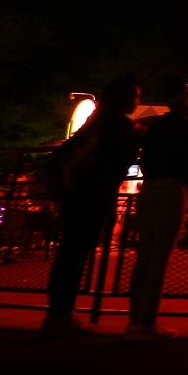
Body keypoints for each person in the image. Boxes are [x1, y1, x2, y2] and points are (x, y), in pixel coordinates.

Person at [41, 76, 141, 339]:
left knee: (69, 253)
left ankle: (57, 314)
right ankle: (62, 316)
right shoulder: (120, 125)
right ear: (123, 99)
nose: (137, 102)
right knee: (76, 253)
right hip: (94, 194)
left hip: (76, 193)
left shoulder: (95, 122)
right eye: (134, 96)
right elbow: (121, 159)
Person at [124, 74, 188, 342]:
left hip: (148, 190)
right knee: (159, 261)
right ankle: (149, 325)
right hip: (173, 190)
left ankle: (133, 322)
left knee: (144, 259)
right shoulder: (187, 124)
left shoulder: (157, 126)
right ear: (187, 101)